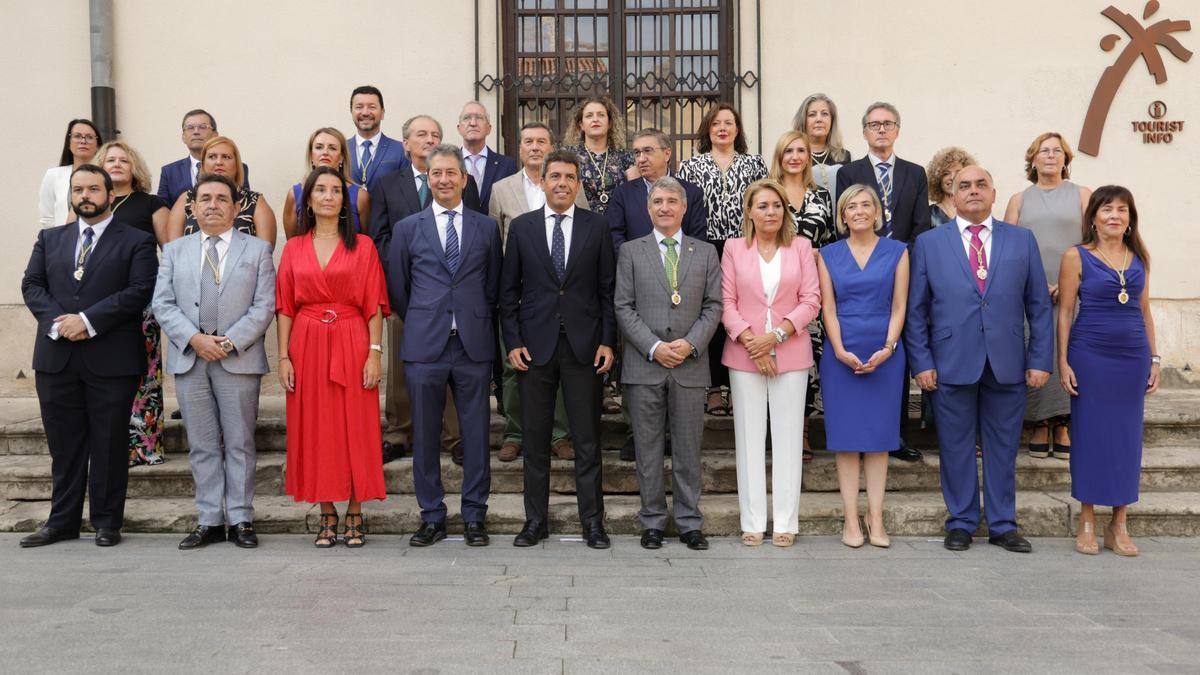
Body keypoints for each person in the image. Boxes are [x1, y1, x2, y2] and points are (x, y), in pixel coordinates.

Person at [906, 165, 1053, 554]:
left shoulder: (1021, 240)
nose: (973, 191)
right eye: (964, 186)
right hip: (950, 361)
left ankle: (1003, 524)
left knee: (1003, 447)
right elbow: (916, 310)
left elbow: (1039, 306)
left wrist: (1040, 360)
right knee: (955, 447)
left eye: (981, 185)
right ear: (952, 195)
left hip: (1007, 362)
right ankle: (961, 521)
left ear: (993, 193)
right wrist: (921, 362)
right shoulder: (929, 244)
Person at [19, 164, 158, 548]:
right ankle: (61, 522)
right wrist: (60, 323)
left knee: (109, 443)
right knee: (64, 445)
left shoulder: (136, 240)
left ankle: (106, 522)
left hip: (111, 359)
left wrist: (87, 320)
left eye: (93, 189)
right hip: (56, 356)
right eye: (78, 189)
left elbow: (139, 290)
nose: (85, 195)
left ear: (110, 194)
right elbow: (31, 285)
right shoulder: (50, 238)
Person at [152, 174, 276, 550]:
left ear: (236, 208)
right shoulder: (175, 250)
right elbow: (163, 304)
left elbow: (264, 306)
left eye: (222, 198)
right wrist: (195, 339)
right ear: (192, 207)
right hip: (191, 357)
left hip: (238, 358)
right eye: (205, 198)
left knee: (240, 442)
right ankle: (209, 520)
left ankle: (240, 519)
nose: (213, 205)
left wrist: (228, 342)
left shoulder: (257, 250)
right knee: (202, 444)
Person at [387, 145, 502, 547]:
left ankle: (474, 516)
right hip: (425, 345)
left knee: (476, 435)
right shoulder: (407, 228)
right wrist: (425, 318)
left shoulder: (486, 228)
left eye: (451, 172)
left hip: (473, 345)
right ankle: (432, 516)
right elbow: (399, 288)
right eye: (436, 173)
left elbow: (493, 286)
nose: (444, 180)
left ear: (464, 179)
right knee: (424, 437)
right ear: (428, 178)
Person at [501, 150, 616, 549]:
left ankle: (593, 523)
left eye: (569, 177)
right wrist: (513, 342)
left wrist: (607, 341)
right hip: (534, 349)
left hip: (585, 348)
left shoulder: (596, 227)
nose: (562, 183)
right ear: (543, 181)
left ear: (578, 183)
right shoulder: (522, 227)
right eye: (555, 176)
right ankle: (535, 521)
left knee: (586, 440)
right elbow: (508, 292)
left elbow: (607, 290)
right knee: (535, 441)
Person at [276, 166, 389, 548]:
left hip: (353, 339)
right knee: (316, 429)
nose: (328, 196)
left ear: (344, 201)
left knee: (356, 426)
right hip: (307, 343)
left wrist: (374, 353)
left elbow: (374, 304)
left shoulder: (364, 246)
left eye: (336, 191)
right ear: (307, 200)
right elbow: (285, 307)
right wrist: (283, 358)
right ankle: (326, 510)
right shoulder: (293, 248)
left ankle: (355, 509)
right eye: (320, 190)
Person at [614, 176, 722, 551]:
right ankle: (653, 522)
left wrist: (690, 344)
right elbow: (623, 306)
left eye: (672, 201)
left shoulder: (705, 252)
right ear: (648, 209)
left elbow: (714, 306)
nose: (664, 207)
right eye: (658, 201)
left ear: (684, 207)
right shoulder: (631, 251)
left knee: (688, 449)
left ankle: (690, 522)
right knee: (647, 449)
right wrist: (655, 346)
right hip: (644, 364)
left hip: (689, 365)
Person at [371, 114, 481, 465]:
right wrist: (404, 274)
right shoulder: (387, 184)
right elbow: (380, 236)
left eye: (435, 134)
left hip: (454, 298)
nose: (429, 139)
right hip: (406, 293)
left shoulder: (460, 183)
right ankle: (399, 433)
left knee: (451, 366)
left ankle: (454, 436)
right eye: (421, 134)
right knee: (403, 369)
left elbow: (472, 235)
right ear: (406, 144)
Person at [1058, 186, 1158, 557]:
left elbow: (1144, 311)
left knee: (1127, 439)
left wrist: (1155, 358)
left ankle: (1119, 524)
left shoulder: (1139, 257)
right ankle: (1086, 520)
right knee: (1090, 436)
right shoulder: (1076, 256)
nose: (1114, 215)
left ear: (1130, 218)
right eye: (1107, 209)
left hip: (1132, 358)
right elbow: (1065, 311)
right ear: (1094, 218)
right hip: (1090, 355)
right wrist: (1063, 361)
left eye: (1122, 209)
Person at [720, 180, 820, 547]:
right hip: (744, 355)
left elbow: (811, 300)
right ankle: (752, 521)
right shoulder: (733, 248)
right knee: (748, 438)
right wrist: (755, 345)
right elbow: (726, 303)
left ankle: (786, 523)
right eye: (762, 206)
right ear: (749, 211)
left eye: (777, 205)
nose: (771, 212)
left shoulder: (801, 247)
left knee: (789, 438)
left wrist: (775, 337)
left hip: (791, 354)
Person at [837, 102, 931, 463]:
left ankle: (895, 436)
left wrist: (897, 261)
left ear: (897, 130)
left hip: (901, 269)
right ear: (864, 131)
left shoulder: (915, 173)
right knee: (861, 348)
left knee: (896, 353)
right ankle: (860, 433)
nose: (881, 129)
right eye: (874, 124)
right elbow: (844, 220)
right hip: (860, 272)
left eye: (887, 124)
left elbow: (921, 227)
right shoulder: (849, 172)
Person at [816, 184, 909, 549]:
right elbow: (828, 308)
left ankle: (876, 516)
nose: (858, 211)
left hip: (885, 352)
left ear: (876, 212)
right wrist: (838, 349)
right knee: (846, 439)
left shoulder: (897, 251)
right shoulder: (827, 254)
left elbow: (900, 305)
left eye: (865, 205)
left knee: (879, 439)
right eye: (851, 206)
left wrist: (889, 347)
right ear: (843, 216)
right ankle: (851, 518)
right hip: (841, 352)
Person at [608, 128, 709, 461]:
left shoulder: (691, 192)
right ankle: (636, 432)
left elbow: (697, 236)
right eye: (636, 152)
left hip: (684, 289)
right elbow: (615, 235)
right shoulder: (624, 193)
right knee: (639, 364)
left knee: (680, 372)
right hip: (639, 287)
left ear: (667, 153)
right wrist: (640, 263)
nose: (641, 158)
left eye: (648, 150)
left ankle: (673, 434)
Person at [488, 122, 584, 463]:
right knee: (514, 366)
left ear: (550, 147)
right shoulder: (501, 189)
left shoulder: (567, 184)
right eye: (527, 141)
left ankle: (558, 434)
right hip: (518, 296)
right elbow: (494, 240)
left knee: (557, 365)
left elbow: (581, 231)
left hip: (559, 297)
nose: (534, 146)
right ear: (519, 148)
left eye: (541, 141)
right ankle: (515, 433)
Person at [1004, 132, 1092, 460]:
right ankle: (1040, 422)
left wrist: (1068, 283)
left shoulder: (1082, 194)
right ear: (1033, 159)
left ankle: (1063, 423)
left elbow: (1092, 241)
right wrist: (1037, 285)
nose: (1051, 156)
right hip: (1030, 291)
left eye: (1057, 151)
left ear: (1066, 159)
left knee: (1068, 351)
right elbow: (1008, 248)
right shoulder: (1019, 200)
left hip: (1075, 288)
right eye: (1044, 151)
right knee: (1036, 349)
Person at [677, 103, 768, 418]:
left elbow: (764, 204)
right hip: (705, 247)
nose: (722, 128)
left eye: (729, 123)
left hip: (745, 246)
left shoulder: (754, 164)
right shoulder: (691, 166)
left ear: (737, 129)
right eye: (716, 123)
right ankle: (715, 389)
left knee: (743, 314)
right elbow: (684, 211)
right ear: (708, 129)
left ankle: (739, 383)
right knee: (712, 317)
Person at [94, 141, 170, 466]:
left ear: (134, 167)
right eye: (110, 159)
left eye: (123, 160)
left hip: (142, 304)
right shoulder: (89, 204)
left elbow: (171, 254)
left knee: (144, 374)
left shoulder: (151, 204)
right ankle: (108, 447)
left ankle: (144, 447)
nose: (116, 164)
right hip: (97, 305)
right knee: (102, 376)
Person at [769, 130, 834, 459]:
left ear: (809, 157)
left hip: (812, 288)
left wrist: (819, 257)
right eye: (788, 151)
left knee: (808, 359)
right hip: (774, 287)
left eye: (800, 151)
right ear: (779, 157)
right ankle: (776, 429)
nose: (794, 157)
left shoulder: (821, 196)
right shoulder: (768, 193)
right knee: (776, 356)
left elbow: (832, 242)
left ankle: (802, 432)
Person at [166, 136, 277, 248]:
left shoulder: (255, 202)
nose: (219, 162)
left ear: (237, 165)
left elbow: (264, 251)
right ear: (203, 164)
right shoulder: (186, 199)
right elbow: (174, 250)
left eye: (226, 157)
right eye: (212, 157)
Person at [282, 127, 371, 238]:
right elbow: (292, 242)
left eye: (332, 148)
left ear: (342, 157)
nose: (325, 152)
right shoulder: (295, 194)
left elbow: (367, 240)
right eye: (319, 147)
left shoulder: (360, 196)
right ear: (311, 155)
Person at [561, 96, 638, 214]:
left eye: (601, 115)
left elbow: (635, 196)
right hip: (580, 221)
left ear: (610, 123)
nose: (595, 119)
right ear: (581, 125)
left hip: (617, 222)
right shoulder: (568, 155)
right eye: (589, 116)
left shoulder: (626, 157)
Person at [157, 109, 250, 206]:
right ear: (183, 137)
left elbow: (245, 204)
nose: (196, 132)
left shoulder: (238, 167)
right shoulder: (169, 172)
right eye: (190, 127)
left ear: (215, 135)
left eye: (202, 127)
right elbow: (162, 209)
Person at [39, 119, 102, 227]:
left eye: (89, 137)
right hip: (63, 236)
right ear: (69, 143)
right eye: (77, 136)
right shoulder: (54, 175)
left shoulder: (106, 176)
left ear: (98, 145)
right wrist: (61, 236)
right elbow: (47, 218)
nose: (83, 141)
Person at [457, 101, 518, 213]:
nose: (473, 123)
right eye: (467, 118)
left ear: (489, 128)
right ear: (459, 128)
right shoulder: (450, 164)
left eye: (479, 118)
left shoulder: (507, 165)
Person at [347, 85, 409, 193]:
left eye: (372, 107)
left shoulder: (401, 150)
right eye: (359, 107)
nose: (365, 113)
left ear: (382, 113)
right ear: (351, 112)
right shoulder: (341, 149)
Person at [792, 94, 851, 199]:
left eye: (824, 114)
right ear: (803, 121)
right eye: (812, 115)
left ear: (832, 120)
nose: (819, 119)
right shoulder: (793, 158)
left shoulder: (845, 157)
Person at [927, 147, 976, 227]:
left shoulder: (975, 211)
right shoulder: (929, 214)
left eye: (958, 172)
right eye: (946, 173)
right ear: (938, 179)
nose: (952, 177)